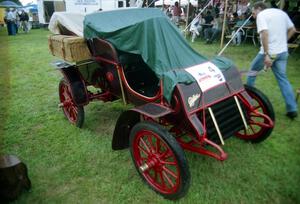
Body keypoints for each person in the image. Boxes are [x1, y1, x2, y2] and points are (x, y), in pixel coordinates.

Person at [247, 2, 298, 119]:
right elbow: (293, 29)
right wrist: (283, 42)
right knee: (283, 79)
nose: (253, 15)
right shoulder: (281, 13)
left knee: (251, 72)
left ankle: (247, 102)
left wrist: (266, 54)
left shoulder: (262, 15)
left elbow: (264, 33)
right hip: (282, 52)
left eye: (253, 12)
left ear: (259, 9)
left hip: (270, 53)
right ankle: (292, 109)